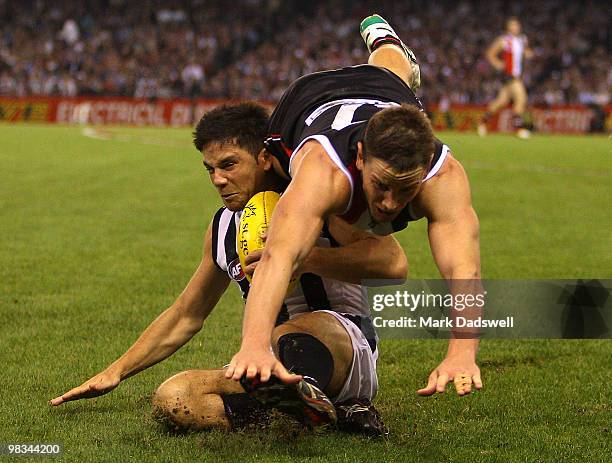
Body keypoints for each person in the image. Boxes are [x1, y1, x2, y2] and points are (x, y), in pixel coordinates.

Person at [50, 102, 407, 436]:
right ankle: (306, 412)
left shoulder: (315, 201)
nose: (217, 179)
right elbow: (186, 314)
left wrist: (305, 255)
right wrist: (114, 372)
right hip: (264, 358)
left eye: (229, 164)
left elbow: (394, 264)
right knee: (174, 398)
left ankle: (328, 397)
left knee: (285, 335)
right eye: (211, 169)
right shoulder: (223, 228)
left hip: (345, 349)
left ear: (265, 158)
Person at [225, 14, 483, 399]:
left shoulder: (442, 176)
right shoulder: (322, 171)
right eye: (381, 186)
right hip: (308, 99)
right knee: (273, 185)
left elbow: (465, 268)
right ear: (360, 156)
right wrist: (255, 345)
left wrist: (462, 353)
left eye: (405, 189)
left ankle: (386, 41)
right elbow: (279, 255)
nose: (390, 204)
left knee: (392, 72)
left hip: (385, 93)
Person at [478, 17, 534, 138]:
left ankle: (482, 122)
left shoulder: (522, 40)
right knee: (521, 98)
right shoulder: (504, 41)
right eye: (512, 25)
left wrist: (528, 53)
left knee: (500, 101)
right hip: (509, 75)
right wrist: (497, 63)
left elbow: (525, 52)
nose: (515, 28)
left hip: (517, 75)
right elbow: (490, 53)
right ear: (508, 28)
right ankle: (519, 128)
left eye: (516, 25)